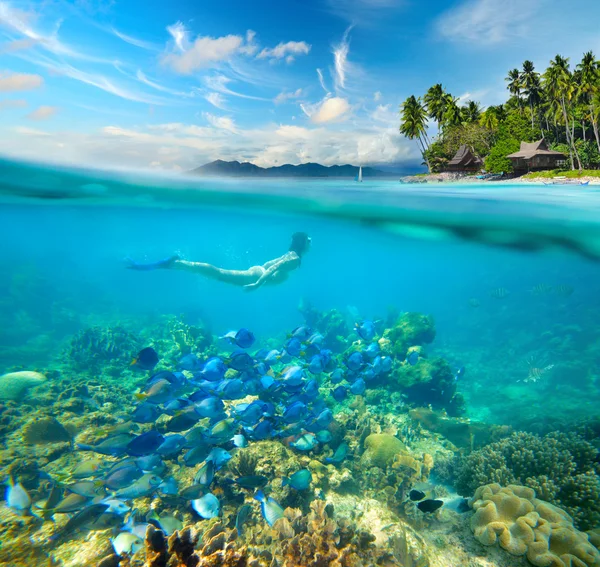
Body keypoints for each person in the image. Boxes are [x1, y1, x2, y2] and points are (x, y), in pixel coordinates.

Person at [126, 232, 311, 292]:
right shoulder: (294, 259)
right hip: (257, 276)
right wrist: (256, 284)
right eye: (309, 241)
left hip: (258, 272)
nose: (311, 243)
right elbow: (275, 268)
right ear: (303, 243)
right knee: (219, 274)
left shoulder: (291, 254)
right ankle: (179, 263)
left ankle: (180, 264)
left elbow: (273, 264)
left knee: (220, 274)